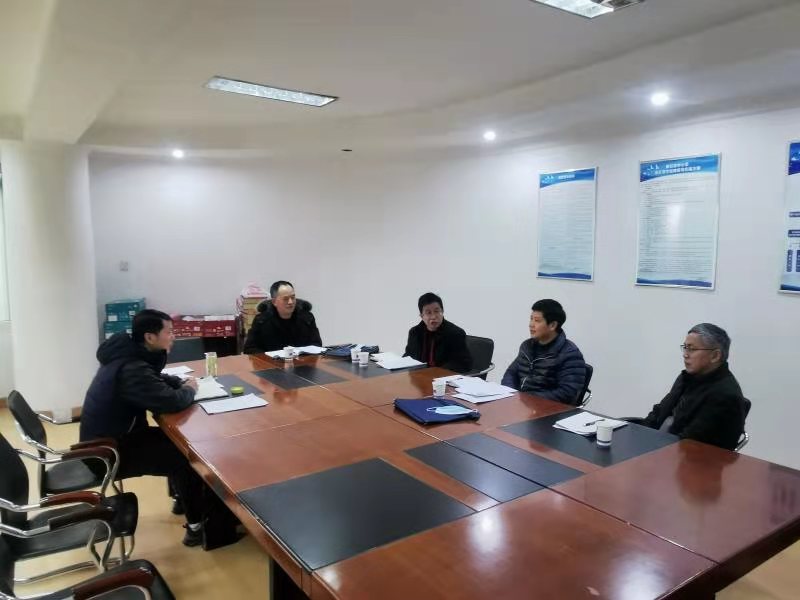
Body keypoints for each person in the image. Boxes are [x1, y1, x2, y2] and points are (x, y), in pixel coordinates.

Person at [80, 309, 207, 547]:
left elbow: (153, 378)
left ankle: (182, 498)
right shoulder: (131, 369)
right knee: (186, 455)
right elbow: (171, 402)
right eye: (169, 332)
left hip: (114, 438)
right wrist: (189, 389)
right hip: (107, 453)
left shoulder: (129, 354)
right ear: (150, 337)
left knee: (174, 440)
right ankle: (196, 527)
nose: (173, 337)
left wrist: (177, 382)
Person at [640, 323, 746, 450]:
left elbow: (689, 444)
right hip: (660, 447)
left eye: (692, 349)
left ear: (715, 356)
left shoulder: (725, 396)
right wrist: (638, 434)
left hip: (687, 457)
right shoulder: (687, 378)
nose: (685, 354)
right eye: (685, 347)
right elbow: (659, 412)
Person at [501, 299, 586, 404]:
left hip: (548, 408)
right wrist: (510, 394)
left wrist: (527, 399)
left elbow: (567, 393)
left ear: (552, 325)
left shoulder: (569, 354)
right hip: (522, 404)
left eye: (537, 321)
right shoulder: (527, 347)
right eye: (531, 319)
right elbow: (511, 373)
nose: (531, 324)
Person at [243, 280, 322, 353]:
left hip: (302, 361)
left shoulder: (307, 318)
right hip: (272, 362)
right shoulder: (261, 320)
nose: (290, 302)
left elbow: (317, 345)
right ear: (274, 302)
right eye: (285, 299)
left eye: (293, 297)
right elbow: (250, 349)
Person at [404, 292, 472, 373]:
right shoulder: (415, 332)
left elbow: (463, 363)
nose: (433, 317)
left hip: (442, 377)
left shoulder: (455, 333)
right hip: (418, 376)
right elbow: (409, 356)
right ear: (422, 316)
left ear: (442, 312)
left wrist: (436, 372)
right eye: (428, 313)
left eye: (436, 311)